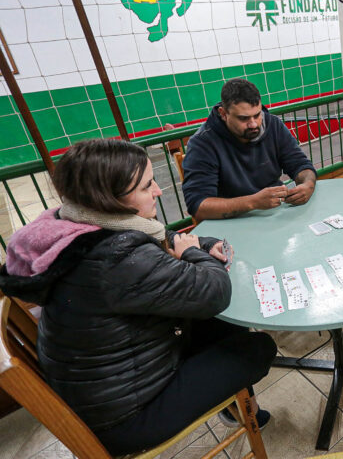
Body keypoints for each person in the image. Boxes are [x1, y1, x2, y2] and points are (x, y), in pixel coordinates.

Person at [0, 139, 277, 456]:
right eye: (146, 186)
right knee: (258, 347)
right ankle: (236, 403)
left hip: (102, 388)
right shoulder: (116, 257)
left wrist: (200, 245)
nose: (158, 190)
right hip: (127, 419)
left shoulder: (73, 222)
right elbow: (216, 292)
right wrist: (195, 254)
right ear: (109, 198)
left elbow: (157, 237)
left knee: (223, 324)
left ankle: (238, 406)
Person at [182, 78, 317, 221]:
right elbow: (198, 206)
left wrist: (308, 185)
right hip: (230, 223)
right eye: (243, 118)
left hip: (275, 214)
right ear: (223, 113)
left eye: (257, 115)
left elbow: (301, 165)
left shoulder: (273, 125)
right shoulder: (202, 143)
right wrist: (253, 202)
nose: (253, 124)